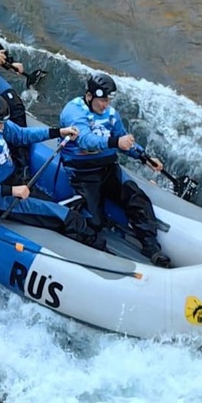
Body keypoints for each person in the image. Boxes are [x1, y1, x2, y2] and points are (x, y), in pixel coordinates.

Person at [0, 94, 105, 249]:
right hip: (1, 198)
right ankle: (100, 251)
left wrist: (59, 132)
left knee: (60, 209)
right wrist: (12, 190)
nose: (1, 127)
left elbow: (21, 135)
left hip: (16, 181)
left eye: (2, 123)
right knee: (68, 218)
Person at [59, 72, 171, 267]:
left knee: (138, 199)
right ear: (89, 96)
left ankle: (152, 248)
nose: (105, 105)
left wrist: (144, 157)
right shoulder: (73, 112)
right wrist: (115, 141)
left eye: (108, 100)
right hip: (82, 172)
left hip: (108, 168)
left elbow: (123, 139)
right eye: (101, 100)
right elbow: (86, 141)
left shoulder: (111, 114)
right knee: (94, 221)